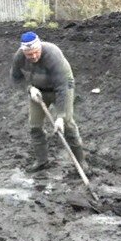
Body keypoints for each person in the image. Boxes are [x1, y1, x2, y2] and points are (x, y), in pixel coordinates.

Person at [10, 31, 90, 174]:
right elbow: (16, 77)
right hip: (38, 92)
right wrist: (29, 89)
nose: (33, 56)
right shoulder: (19, 57)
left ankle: (81, 163)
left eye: (36, 52)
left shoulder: (53, 55)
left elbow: (63, 87)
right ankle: (42, 161)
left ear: (40, 47)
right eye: (29, 54)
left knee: (67, 124)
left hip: (62, 87)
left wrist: (60, 116)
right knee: (35, 126)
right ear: (24, 52)